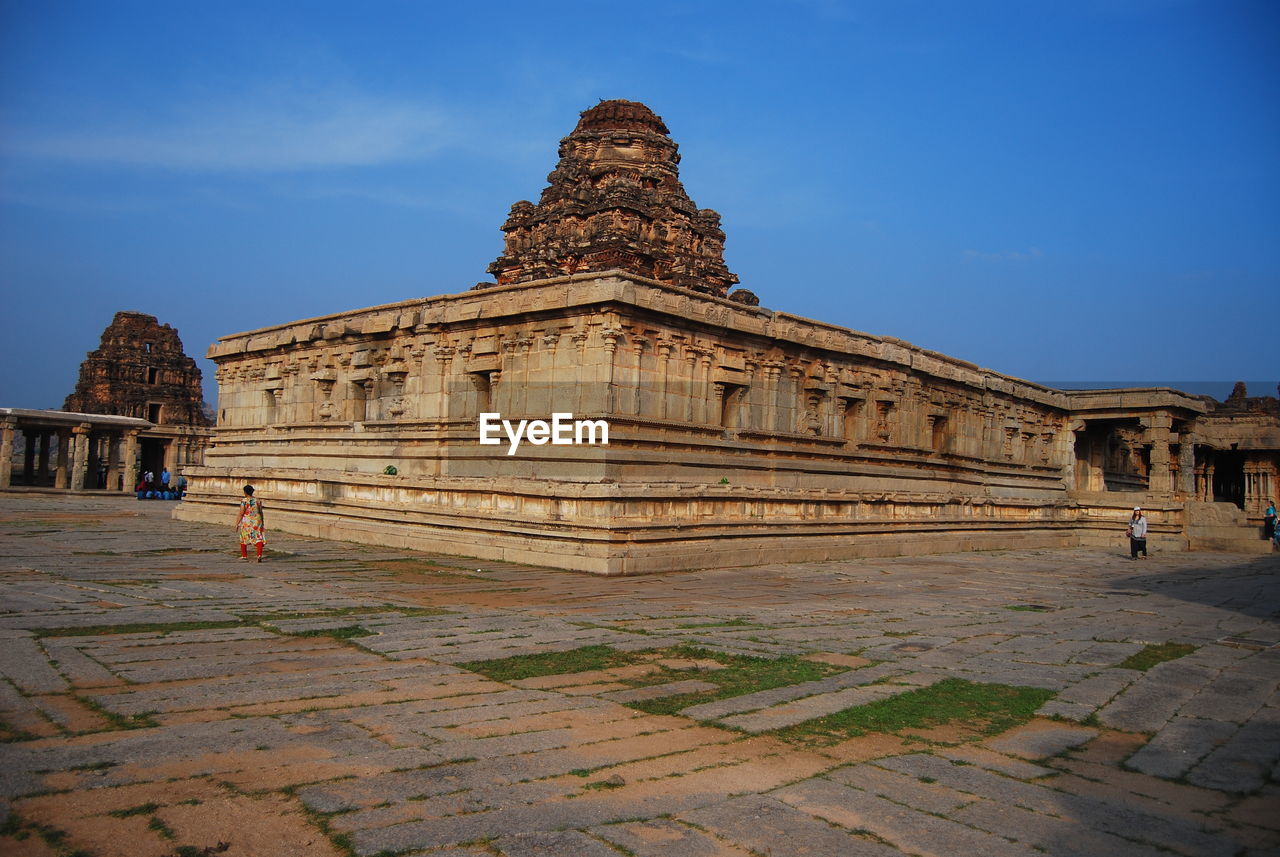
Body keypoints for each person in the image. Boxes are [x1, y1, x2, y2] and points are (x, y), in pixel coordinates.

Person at [235, 484, 267, 562]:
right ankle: (259, 555)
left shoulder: (244, 501)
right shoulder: (258, 500)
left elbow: (241, 512)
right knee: (258, 536)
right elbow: (260, 511)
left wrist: (237, 523)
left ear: (245, 492)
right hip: (257, 519)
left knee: (244, 536)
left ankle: (244, 555)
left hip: (247, 520)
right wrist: (262, 521)